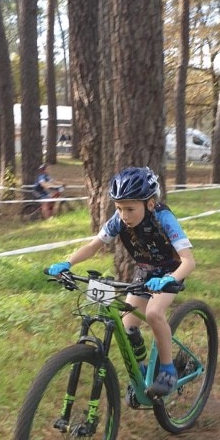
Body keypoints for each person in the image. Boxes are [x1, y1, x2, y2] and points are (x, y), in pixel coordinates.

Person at [47, 166, 196, 399]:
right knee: (127, 325)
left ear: (149, 204)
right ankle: (142, 373)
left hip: (170, 271)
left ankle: (168, 371)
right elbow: (93, 246)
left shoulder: (163, 218)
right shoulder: (119, 220)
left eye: (130, 209)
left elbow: (189, 261)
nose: (124, 215)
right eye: (118, 208)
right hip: (145, 271)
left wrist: (169, 279)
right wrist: (68, 262)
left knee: (154, 313)